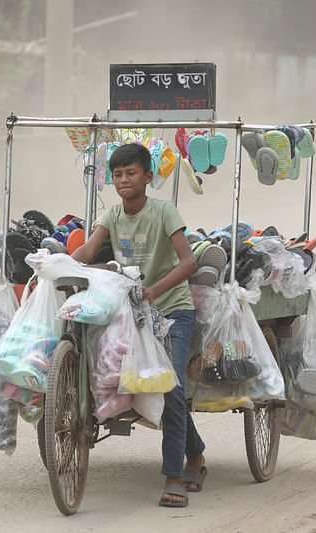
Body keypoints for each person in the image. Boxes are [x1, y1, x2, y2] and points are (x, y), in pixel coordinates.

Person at [72, 142, 207, 508]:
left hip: (174, 311)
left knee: (172, 385)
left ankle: (175, 475)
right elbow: (87, 252)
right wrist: (61, 266)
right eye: (117, 175)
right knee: (154, 386)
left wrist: (154, 291)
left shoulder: (164, 211)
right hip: (134, 316)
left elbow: (188, 263)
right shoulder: (113, 216)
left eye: (131, 173)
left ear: (148, 177)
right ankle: (196, 455)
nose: (123, 180)